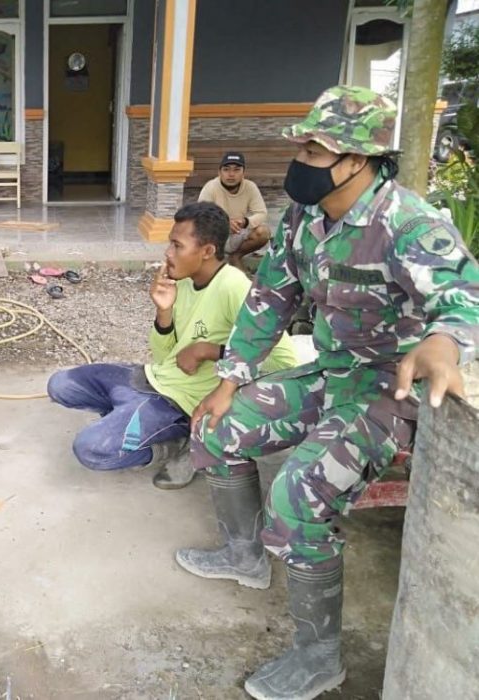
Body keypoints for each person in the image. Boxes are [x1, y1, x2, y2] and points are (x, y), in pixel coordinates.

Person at [176, 86, 479, 700]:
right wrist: (232, 378)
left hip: (387, 394)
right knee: (216, 424)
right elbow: (269, 302)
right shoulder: (305, 221)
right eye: (304, 146)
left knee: (297, 494)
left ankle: (319, 657)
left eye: (315, 150)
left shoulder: (408, 222)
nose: (301, 160)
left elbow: (461, 295)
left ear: (359, 160)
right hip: (330, 375)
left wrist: (444, 342)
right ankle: (245, 556)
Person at [46, 202, 297, 489]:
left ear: (207, 251)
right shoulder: (186, 281)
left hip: (178, 401)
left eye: (177, 245)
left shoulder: (234, 287)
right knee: (59, 385)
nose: (168, 253)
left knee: (90, 449)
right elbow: (166, 356)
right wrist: (163, 312)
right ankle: (129, 418)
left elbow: (283, 362)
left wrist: (209, 350)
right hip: (152, 378)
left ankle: (172, 442)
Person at [198, 151, 271, 269]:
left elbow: (262, 213)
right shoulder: (211, 187)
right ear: (219, 172)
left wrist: (245, 221)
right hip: (216, 236)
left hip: (238, 233)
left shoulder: (250, 187)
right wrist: (224, 223)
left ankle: (236, 256)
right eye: (226, 169)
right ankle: (215, 261)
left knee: (263, 232)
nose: (231, 174)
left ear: (243, 173)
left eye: (236, 170)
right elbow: (201, 216)